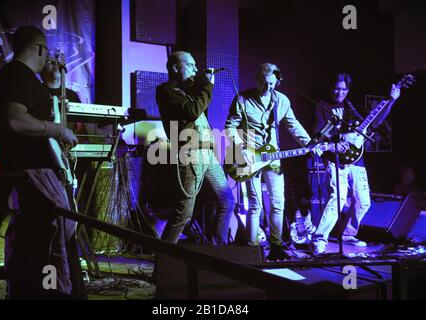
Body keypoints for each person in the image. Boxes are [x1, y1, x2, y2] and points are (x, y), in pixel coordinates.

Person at [0, 25, 85, 299]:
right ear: (40, 48)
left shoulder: (15, 77)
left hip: (33, 176)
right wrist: (57, 130)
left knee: (37, 247)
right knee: (45, 246)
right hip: (35, 178)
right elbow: (15, 119)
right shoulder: (18, 76)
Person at [225, 63, 320, 260]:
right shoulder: (242, 99)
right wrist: (241, 148)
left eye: (272, 84)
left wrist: (310, 143)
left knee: (278, 203)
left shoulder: (282, 101)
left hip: (273, 157)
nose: (267, 88)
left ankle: (276, 246)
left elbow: (293, 125)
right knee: (254, 205)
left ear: (277, 82)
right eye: (264, 83)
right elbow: (229, 127)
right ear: (257, 80)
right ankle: (252, 250)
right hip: (249, 158)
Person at [311, 73, 400, 255]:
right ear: (331, 88)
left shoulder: (351, 106)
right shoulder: (322, 106)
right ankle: (319, 239)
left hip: (357, 160)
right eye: (337, 88)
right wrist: (343, 137)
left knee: (364, 202)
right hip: (336, 160)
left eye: (344, 89)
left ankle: (348, 234)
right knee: (338, 198)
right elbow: (318, 134)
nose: (340, 92)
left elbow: (374, 122)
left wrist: (391, 100)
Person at [155, 51, 234, 245]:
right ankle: (163, 262)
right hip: (190, 154)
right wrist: (207, 85)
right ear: (175, 68)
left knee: (227, 201)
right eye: (190, 65)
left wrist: (200, 82)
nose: (195, 69)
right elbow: (192, 111)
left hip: (208, 154)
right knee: (184, 214)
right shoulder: (166, 91)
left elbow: (197, 101)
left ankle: (217, 252)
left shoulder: (189, 90)